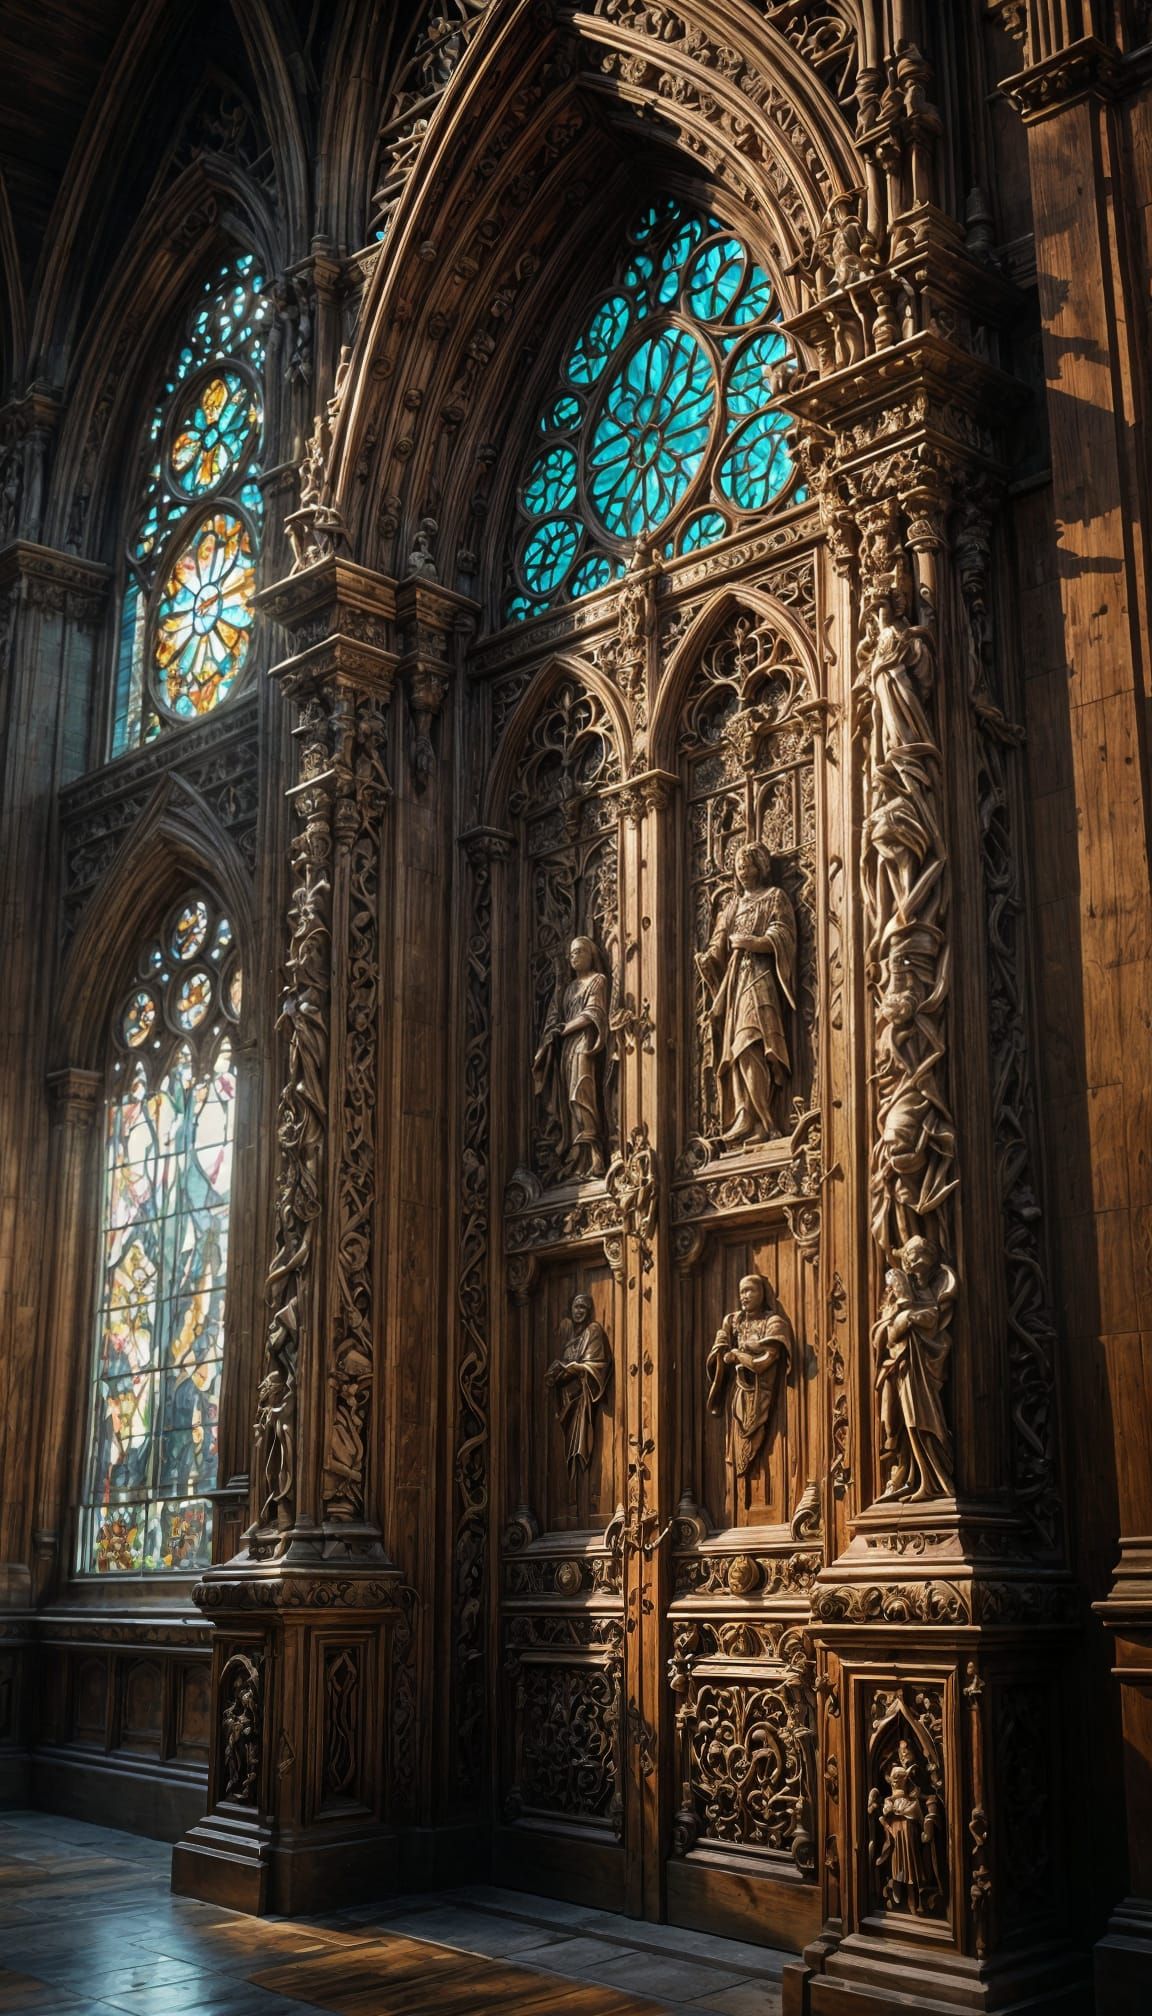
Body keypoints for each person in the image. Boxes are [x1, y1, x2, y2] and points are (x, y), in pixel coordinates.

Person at [697, 843, 795, 1143]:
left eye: (748, 863)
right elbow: (719, 941)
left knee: (753, 1041)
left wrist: (755, 943)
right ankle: (744, 1115)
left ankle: (765, 1120)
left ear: (761, 867)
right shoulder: (733, 907)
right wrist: (709, 958)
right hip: (737, 982)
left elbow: (784, 934)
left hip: (761, 977)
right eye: (738, 865)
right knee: (737, 1048)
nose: (742, 869)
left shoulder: (774, 897)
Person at [707, 1273, 793, 1491]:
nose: (744, 1296)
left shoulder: (773, 1322)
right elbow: (720, 1352)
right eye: (741, 1291)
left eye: (749, 1290)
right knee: (738, 1438)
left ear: (761, 1293)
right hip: (738, 1390)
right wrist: (722, 1349)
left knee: (753, 1438)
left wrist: (737, 1355)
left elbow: (763, 1363)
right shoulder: (734, 1321)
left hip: (760, 1391)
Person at [533, 936, 609, 1178]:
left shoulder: (597, 980)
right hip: (567, 1049)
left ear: (590, 955)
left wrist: (563, 1029)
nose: (573, 957)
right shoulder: (568, 989)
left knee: (581, 1093)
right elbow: (557, 1016)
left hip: (583, 1044)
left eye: (579, 952)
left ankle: (593, 1154)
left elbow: (592, 1013)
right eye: (571, 953)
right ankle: (576, 1155)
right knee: (568, 1099)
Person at [544, 1292, 613, 1479]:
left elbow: (598, 1364)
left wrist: (577, 1367)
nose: (579, 1311)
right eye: (576, 1306)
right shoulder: (569, 1342)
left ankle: (585, 1489)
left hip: (584, 1398)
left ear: (589, 1311)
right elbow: (564, 1371)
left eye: (583, 1307)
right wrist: (555, 1375)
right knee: (569, 1450)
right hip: (568, 1400)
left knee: (583, 1446)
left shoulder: (593, 1331)